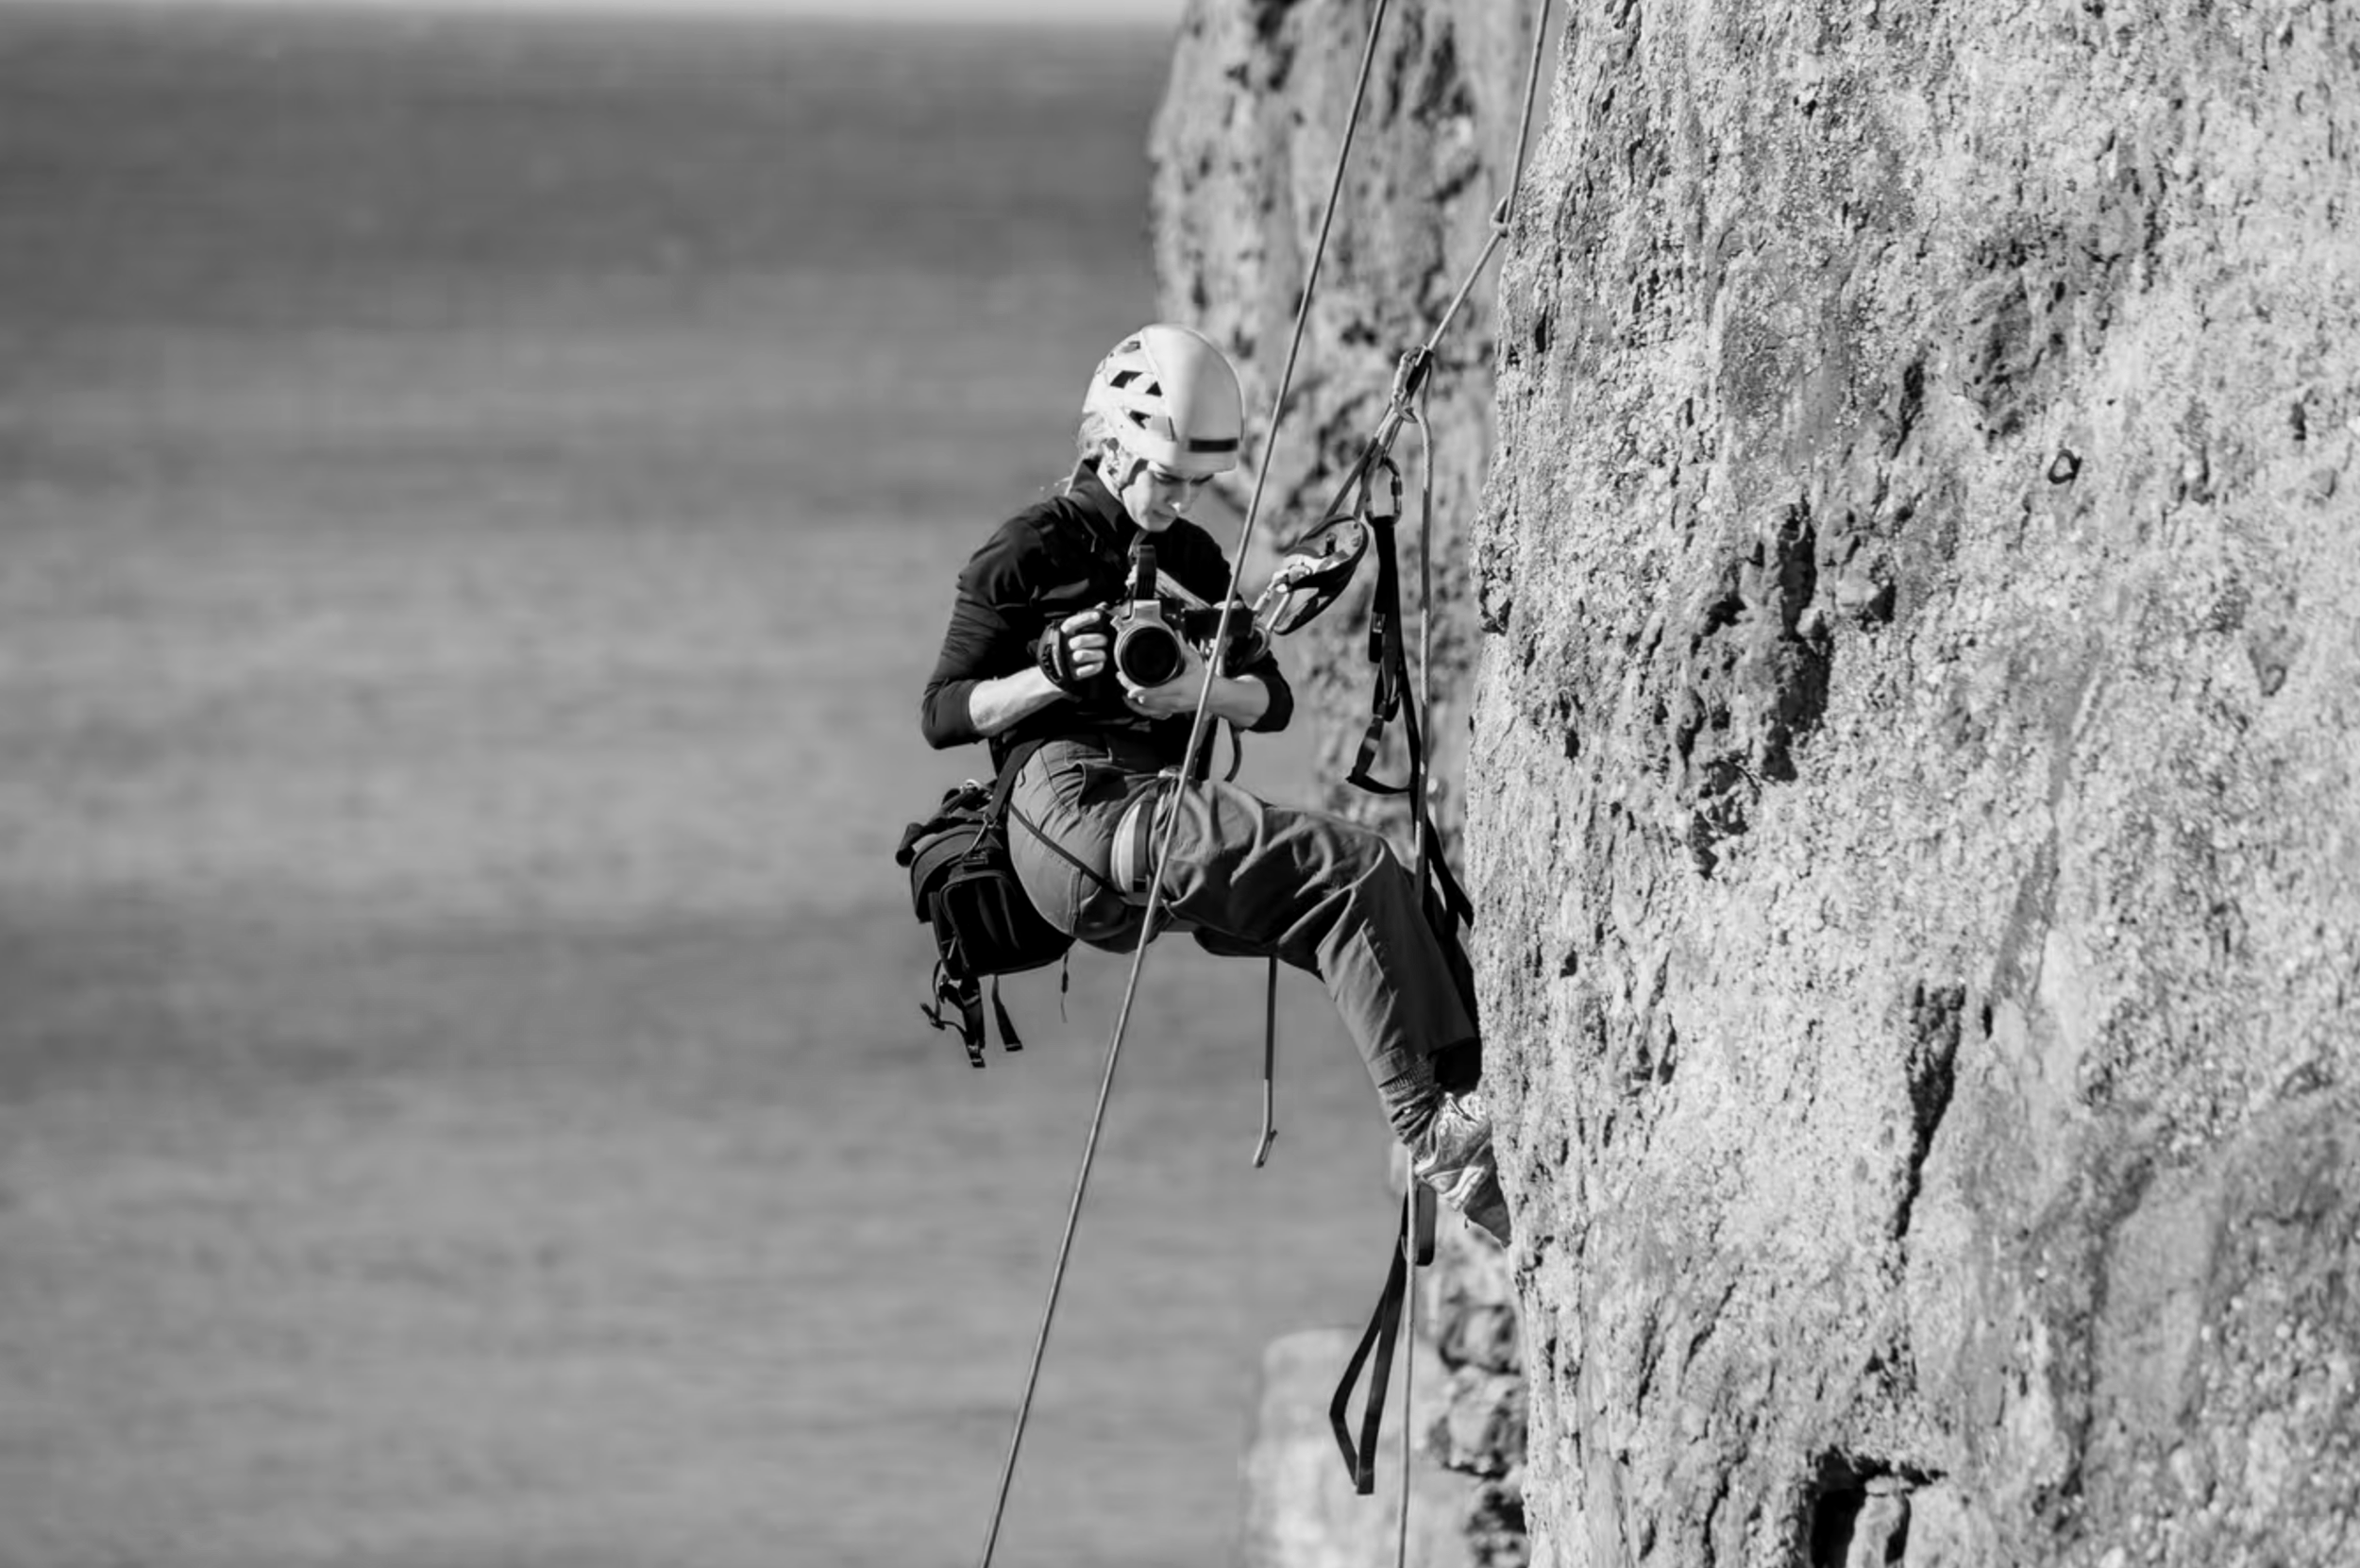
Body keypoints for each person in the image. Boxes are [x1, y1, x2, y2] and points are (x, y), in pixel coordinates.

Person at [918, 322, 1509, 1247]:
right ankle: (1431, 1129)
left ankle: (1474, 1118)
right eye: (1163, 474)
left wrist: (1191, 684)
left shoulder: (1190, 557)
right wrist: (1053, 677)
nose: (1179, 497)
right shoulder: (1026, 550)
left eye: (1195, 480)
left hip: (1140, 818)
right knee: (1345, 870)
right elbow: (945, 711)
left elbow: (1267, 699)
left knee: (1371, 895)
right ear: (1107, 443)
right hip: (1064, 803)